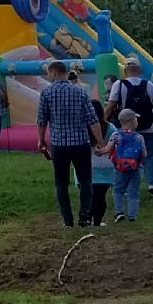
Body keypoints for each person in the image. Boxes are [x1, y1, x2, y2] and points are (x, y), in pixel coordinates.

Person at [36, 60, 106, 226]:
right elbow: (92, 120)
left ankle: (67, 220)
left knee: (61, 183)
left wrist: (41, 140)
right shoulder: (80, 92)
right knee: (86, 181)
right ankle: (85, 217)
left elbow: (41, 120)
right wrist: (101, 142)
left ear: (53, 73)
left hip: (58, 144)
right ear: (65, 72)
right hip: (80, 143)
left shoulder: (46, 93)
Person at [104, 59, 153, 196]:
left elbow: (110, 106)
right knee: (150, 156)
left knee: (126, 156)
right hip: (147, 127)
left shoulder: (119, 85)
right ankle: (152, 183)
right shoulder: (149, 85)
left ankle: (126, 187)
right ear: (139, 70)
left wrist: (102, 122)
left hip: (127, 128)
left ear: (125, 71)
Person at [109, 110, 147, 222]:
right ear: (130, 121)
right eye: (135, 119)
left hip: (120, 168)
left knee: (117, 190)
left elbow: (109, 148)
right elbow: (144, 154)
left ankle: (119, 212)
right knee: (133, 192)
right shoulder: (139, 137)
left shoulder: (116, 135)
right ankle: (132, 216)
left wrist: (100, 151)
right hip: (135, 168)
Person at [87, 106, 117, 225]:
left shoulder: (84, 127)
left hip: (88, 165)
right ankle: (98, 221)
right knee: (100, 196)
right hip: (107, 166)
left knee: (89, 195)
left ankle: (87, 217)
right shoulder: (110, 127)